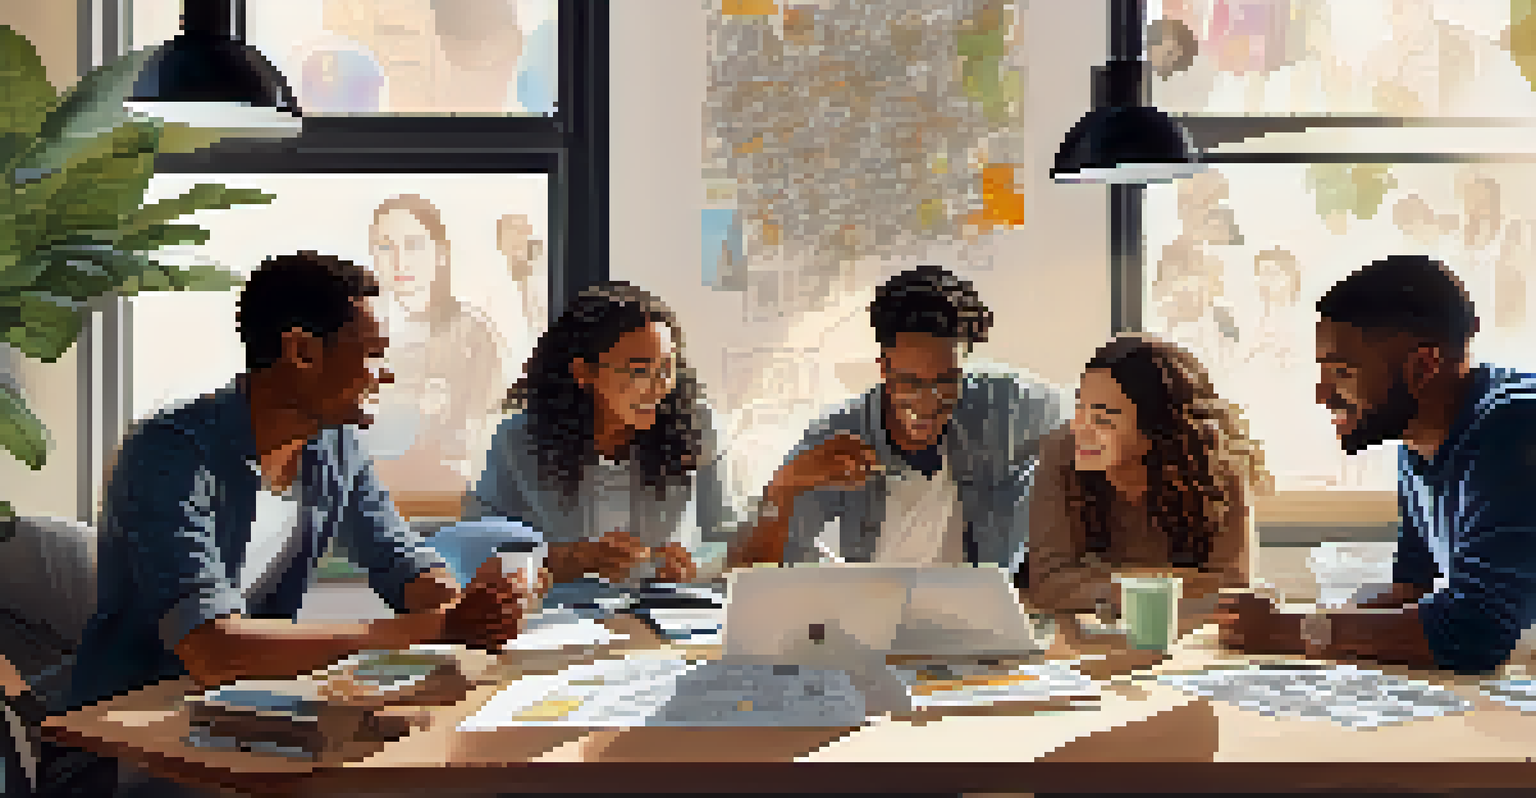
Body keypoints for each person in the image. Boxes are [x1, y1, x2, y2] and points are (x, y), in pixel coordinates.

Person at [49, 252, 533, 796]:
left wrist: (476, 606)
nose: (387, 372)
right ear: (301, 351)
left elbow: (402, 563)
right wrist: (441, 626)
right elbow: (214, 650)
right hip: (126, 741)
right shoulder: (170, 455)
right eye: (373, 353)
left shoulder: (336, 444)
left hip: (247, 720)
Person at [1217, 255, 1536, 674]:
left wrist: (1291, 629)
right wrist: (1311, 614)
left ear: (1423, 367)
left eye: (1341, 372)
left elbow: (1474, 632)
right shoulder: (1418, 440)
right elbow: (1413, 589)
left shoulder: (1514, 427)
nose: (1322, 394)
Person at [727, 265, 1066, 575]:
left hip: (985, 621)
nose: (928, 401)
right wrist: (781, 489)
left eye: (947, 380)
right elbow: (749, 577)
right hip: (873, 625)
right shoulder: (841, 437)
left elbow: (1102, 433)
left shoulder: (1009, 408)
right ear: (883, 368)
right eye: (910, 382)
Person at [464, 282, 742, 585]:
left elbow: (729, 538)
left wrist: (697, 564)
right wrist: (572, 559)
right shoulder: (516, 441)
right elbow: (476, 549)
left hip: (665, 614)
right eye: (639, 371)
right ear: (584, 372)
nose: (659, 385)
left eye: (667, 367)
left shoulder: (698, 430)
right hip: (560, 619)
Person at [1027, 335, 1271, 628]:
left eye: (1103, 417)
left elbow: (1233, 588)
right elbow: (1048, 585)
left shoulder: (1219, 463)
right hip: (1093, 636)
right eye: (1080, 408)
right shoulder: (1063, 455)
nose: (1081, 427)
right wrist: (1178, 582)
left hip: (1191, 637)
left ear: (1156, 426)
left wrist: (1101, 583)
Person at [367, 194, 507, 497]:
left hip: (453, 489)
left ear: (440, 253)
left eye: (414, 245)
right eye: (385, 246)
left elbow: (486, 424)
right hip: (369, 488)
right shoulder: (356, 330)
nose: (400, 260)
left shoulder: (473, 331)